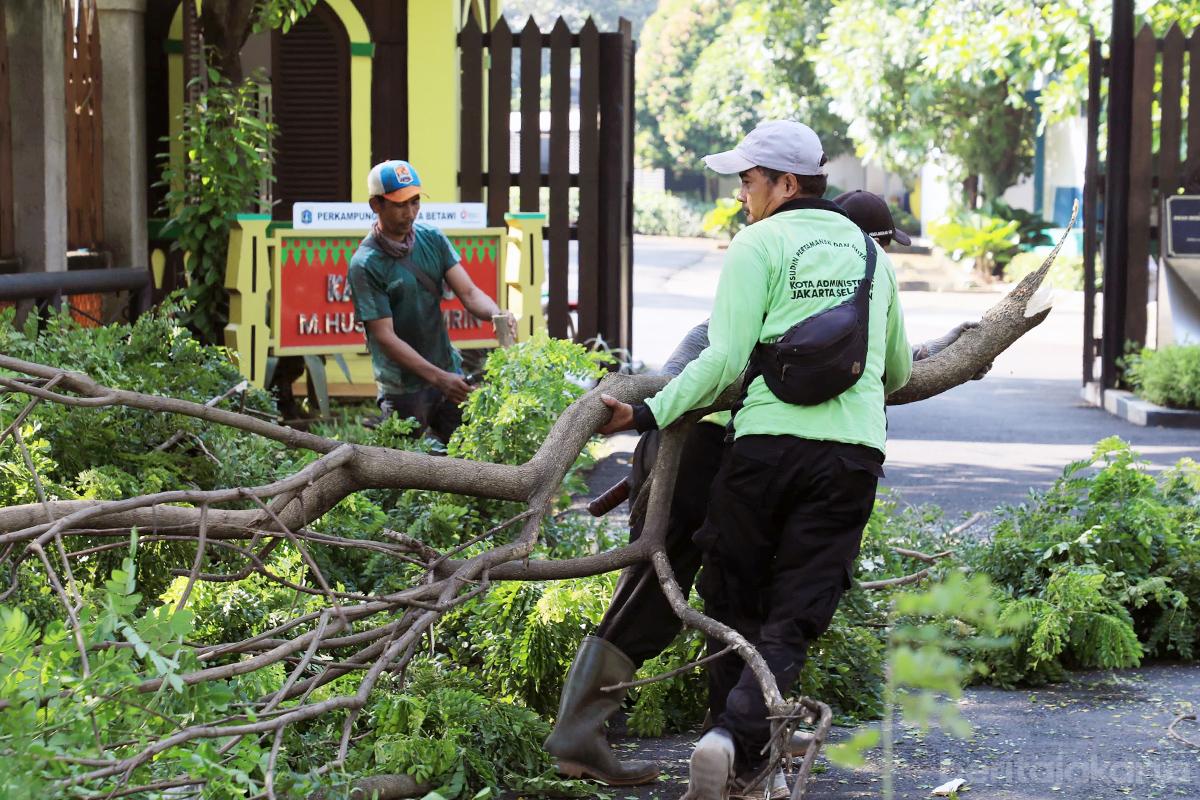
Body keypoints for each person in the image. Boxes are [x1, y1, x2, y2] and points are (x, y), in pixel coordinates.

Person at [543, 178, 979, 798]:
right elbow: (707, 364)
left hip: (730, 452)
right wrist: (646, 418)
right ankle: (594, 733)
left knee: (734, 597)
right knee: (671, 595)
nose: (865, 259)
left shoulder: (788, 278)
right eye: (873, 244)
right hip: (699, 453)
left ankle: (734, 733)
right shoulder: (800, 282)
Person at [597, 120, 913, 799]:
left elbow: (722, 360)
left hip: (764, 450)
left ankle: (728, 742)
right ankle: (733, 746)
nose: (740, 194)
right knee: (794, 615)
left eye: (747, 180)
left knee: (733, 594)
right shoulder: (871, 253)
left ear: (786, 183)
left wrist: (647, 414)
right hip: (849, 460)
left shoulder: (757, 244)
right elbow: (899, 371)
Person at [348, 160, 514, 442]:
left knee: (468, 453)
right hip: (403, 386)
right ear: (376, 205)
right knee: (404, 464)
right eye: (400, 204)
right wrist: (439, 379)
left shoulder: (432, 238)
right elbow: (384, 337)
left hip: (448, 371)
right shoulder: (365, 264)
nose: (410, 213)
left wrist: (498, 315)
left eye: (415, 202)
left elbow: (470, 293)